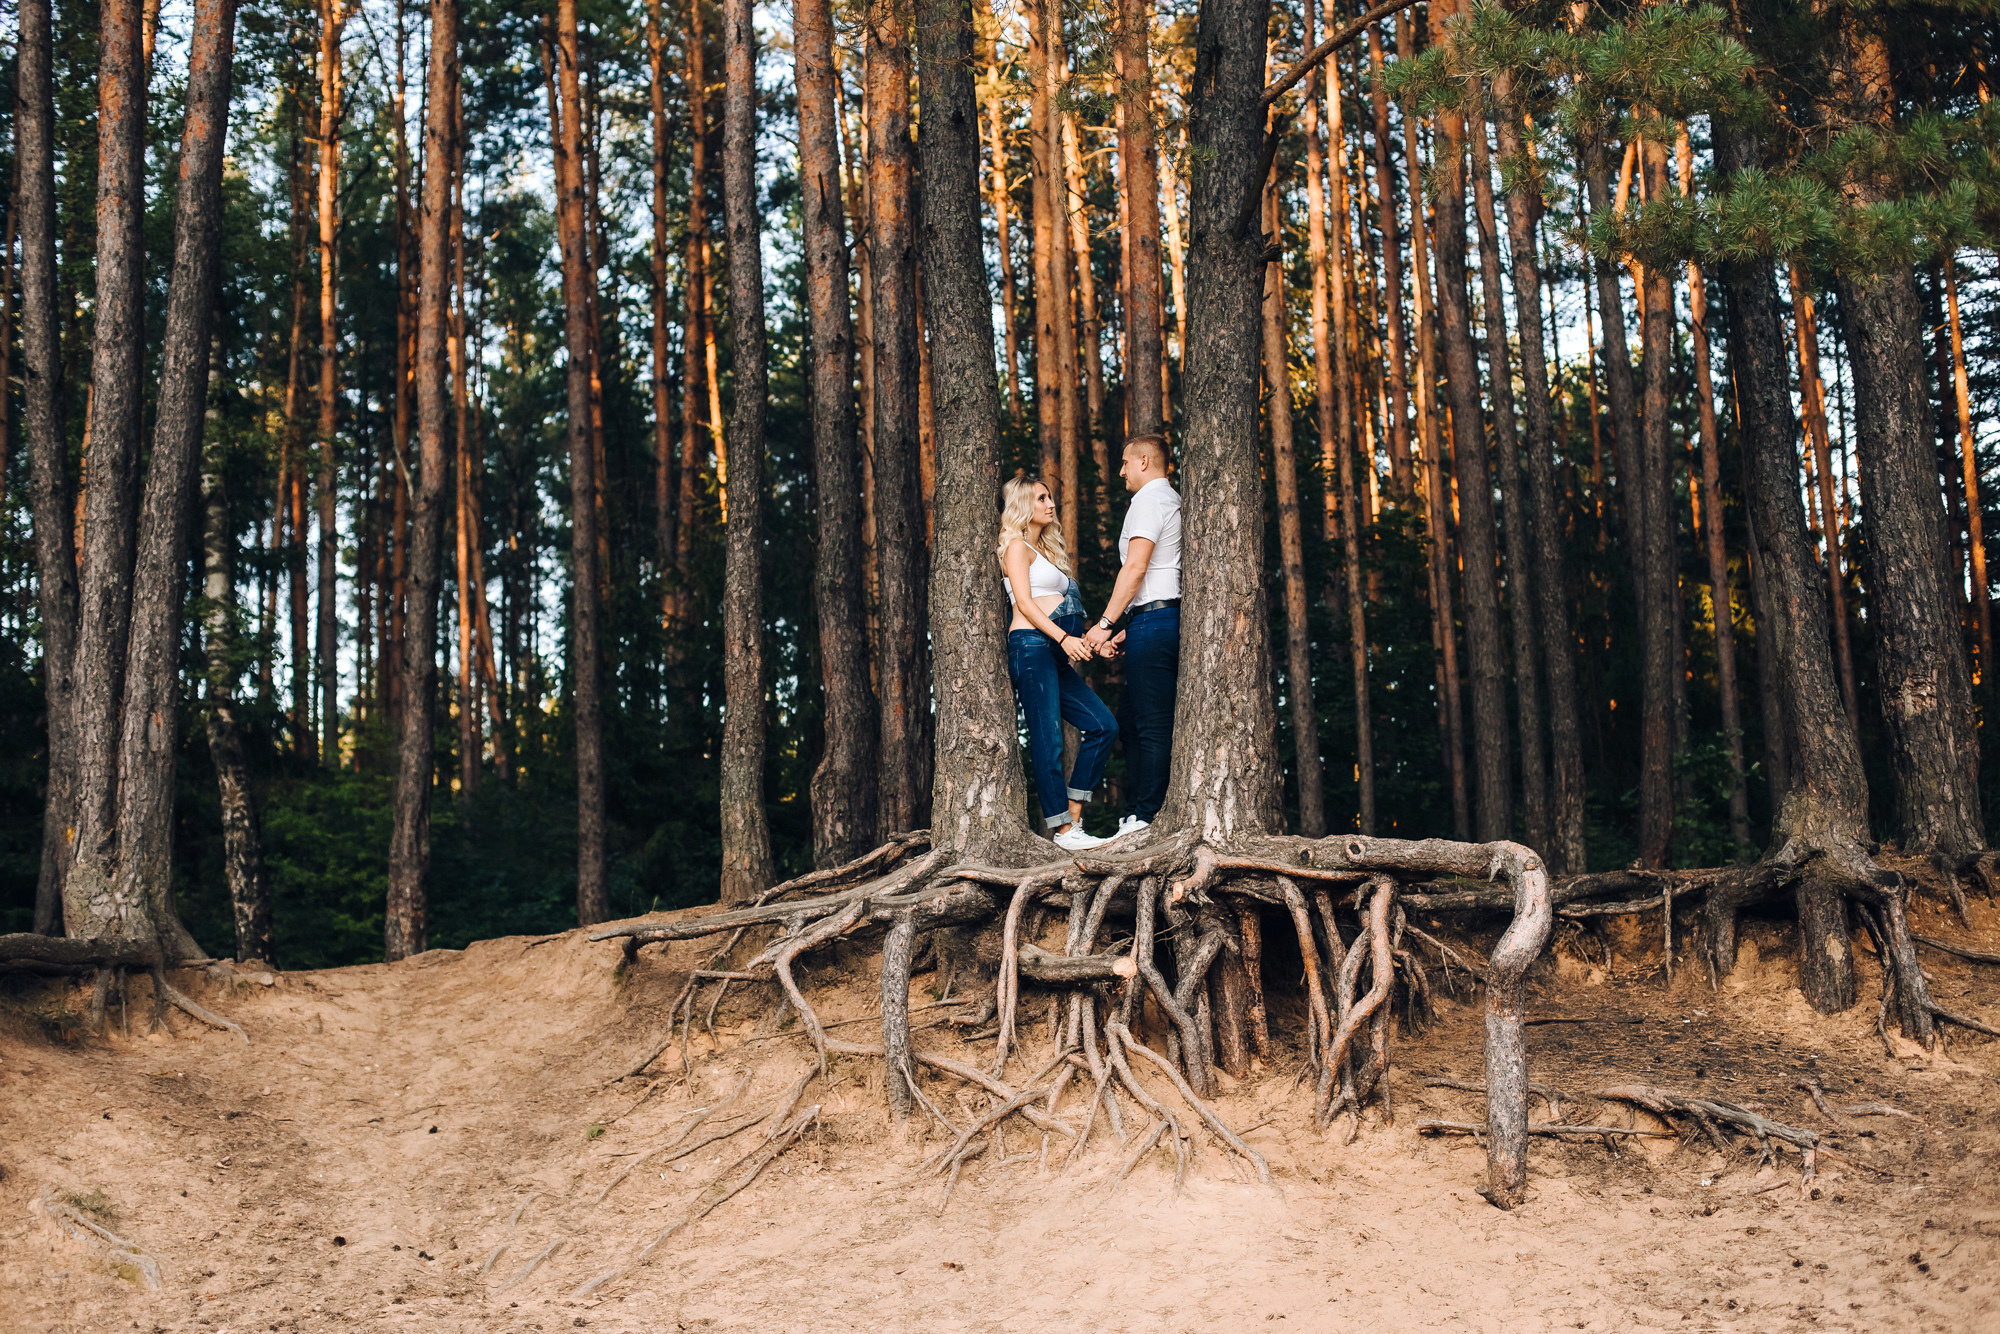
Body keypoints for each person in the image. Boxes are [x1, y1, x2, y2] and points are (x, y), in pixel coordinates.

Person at [999, 476, 1117, 851]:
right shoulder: (1016, 547)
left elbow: (1058, 606)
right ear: (1022, 505)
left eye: (1050, 497)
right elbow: (1026, 603)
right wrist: (1064, 638)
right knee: (1048, 740)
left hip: (1053, 651)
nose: (1051, 504)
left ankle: (1073, 818)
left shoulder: (1043, 550)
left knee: (1103, 725)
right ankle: (1063, 832)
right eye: (1041, 498)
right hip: (1031, 649)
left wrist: (1091, 645)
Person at [1083, 435, 1180, 838]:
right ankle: (1138, 811)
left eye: (1125, 463)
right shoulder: (1169, 499)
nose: (1121, 471)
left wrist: (1105, 623)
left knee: (1151, 725)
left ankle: (1145, 816)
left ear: (1143, 461)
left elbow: (1137, 568)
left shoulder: (1148, 500)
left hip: (1155, 622)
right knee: (1130, 719)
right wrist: (1128, 626)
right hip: (1153, 619)